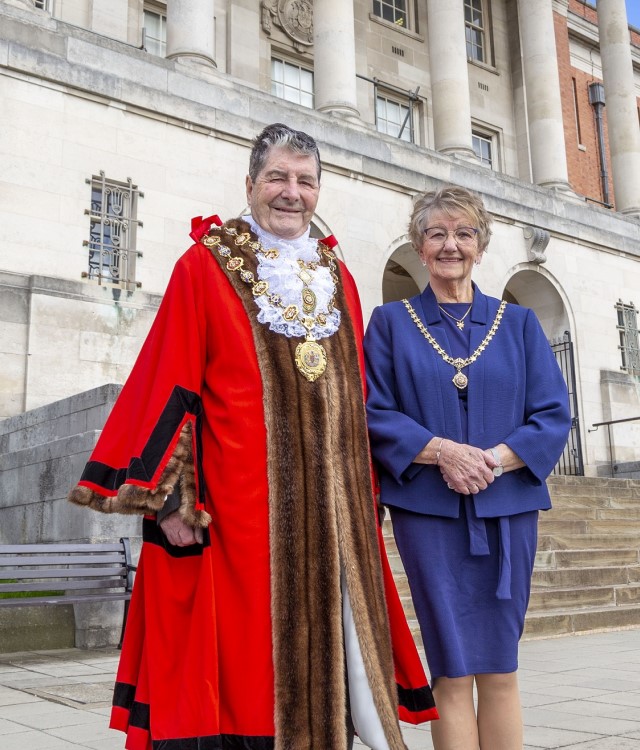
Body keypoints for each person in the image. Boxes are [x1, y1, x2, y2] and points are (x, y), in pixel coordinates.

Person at [68, 123, 437, 750]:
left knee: (340, 655)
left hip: (336, 509)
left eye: (306, 181)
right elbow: (170, 376)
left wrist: (367, 491)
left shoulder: (338, 275)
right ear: (250, 184)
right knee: (245, 661)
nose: (292, 192)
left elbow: (358, 396)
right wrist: (173, 501)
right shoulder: (205, 265)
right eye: (278, 178)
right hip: (239, 508)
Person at [363, 185, 571, 750]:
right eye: (437, 234)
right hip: (429, 515)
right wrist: (443, 452)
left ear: (481, 245)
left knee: (501, 667)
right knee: (451, 669)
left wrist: (493, 461)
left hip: (508, 511)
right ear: (419, 246)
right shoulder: (391, 322)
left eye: (463, 233)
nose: (450, 245)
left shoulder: (519, 324)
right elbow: (374, 410)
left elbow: (552, 414)